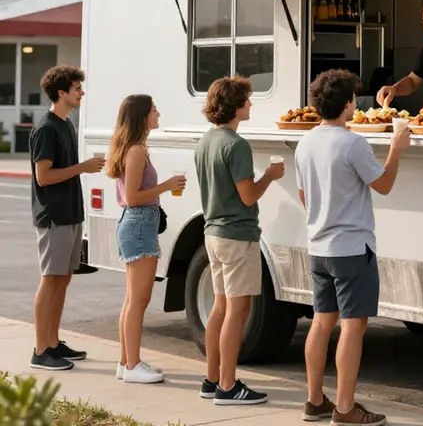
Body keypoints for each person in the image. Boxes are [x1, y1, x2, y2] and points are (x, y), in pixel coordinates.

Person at [295, 69, 411, 425]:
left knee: (321, 323)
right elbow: (384, 184)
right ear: (347, 104)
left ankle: (315, 401)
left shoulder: (305, 142)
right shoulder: (353, 144)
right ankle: (345, 409)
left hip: (318, 246)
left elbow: (303, 196)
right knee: (352, 328)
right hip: (351, 249)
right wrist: (396, 148)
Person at [194, 75, 285, 405]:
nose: (250, 104)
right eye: (246, 100)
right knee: (238, 310)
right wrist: (270, 177)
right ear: (234, 107)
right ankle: (228, 386)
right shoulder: (237, 145)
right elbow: (248, 196)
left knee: (220, 308)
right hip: (237, 236)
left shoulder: (206, 142)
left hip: (213, 234)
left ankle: (212, 379)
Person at [29, 65, 105, 371]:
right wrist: (83, 167)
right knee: (50, 280)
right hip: (53, 217)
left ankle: (52, 342)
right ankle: (40, 350)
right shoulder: (46, 128)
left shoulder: (66, 124)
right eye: (77, 88)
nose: (81, 93)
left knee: (63, 279)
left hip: (71, 213)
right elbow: (44, 177)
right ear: (61, 93)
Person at [106, 94, 186, 383]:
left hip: (137, 224)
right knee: (138, 300)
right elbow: (133, 197)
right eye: (154, 109)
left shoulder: (132, 147)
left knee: (132, 299)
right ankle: (132, 366)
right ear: (142, 116)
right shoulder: (137, 150)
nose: (158, 113)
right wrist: (166, 186)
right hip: (139, 223)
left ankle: (126, 362)